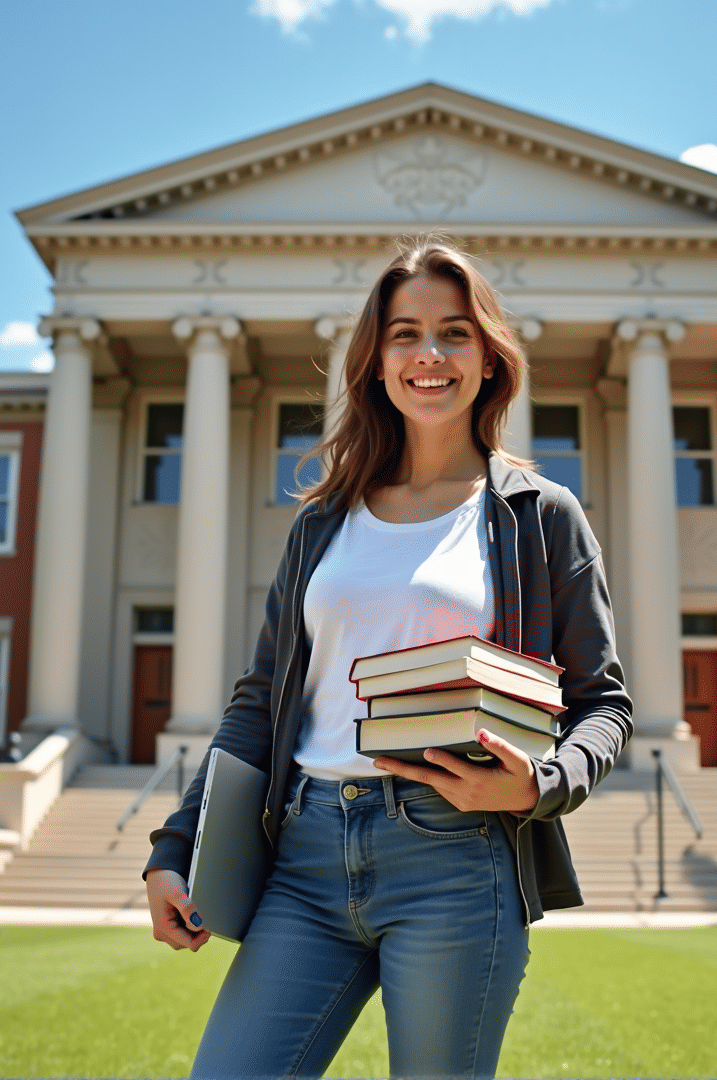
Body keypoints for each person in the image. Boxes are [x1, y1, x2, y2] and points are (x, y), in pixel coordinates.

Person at [142, 238, 631, 1079]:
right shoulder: (323, 521)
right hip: (302, 854)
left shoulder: (539, 516)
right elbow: (260, 700)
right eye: (405, 334)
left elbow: (604, 703)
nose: (429, 354)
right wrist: (175, 844)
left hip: (457, 853)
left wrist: (542, 784)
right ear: (374, 362)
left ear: (489, 358)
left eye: (455, 332)